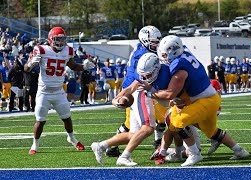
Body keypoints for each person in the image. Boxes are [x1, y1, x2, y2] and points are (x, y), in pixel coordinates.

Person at [148, 35, 249, 166]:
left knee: (178, 121)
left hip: (204, 100)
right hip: (209, 99)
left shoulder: (179, 67)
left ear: (173, 51)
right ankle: (239, 150)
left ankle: (195, 154)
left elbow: (170, 94)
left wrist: (151, 91)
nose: (163, 58)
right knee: (210, 131)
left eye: (165, 55)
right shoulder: (184, 51)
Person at [24, 27, 95, 155]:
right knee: (40, 120)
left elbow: (73, 66)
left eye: (63, 39)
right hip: (43, 92)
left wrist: (84, 67)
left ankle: (72, 138)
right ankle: (35, 144)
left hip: (58, 91)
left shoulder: (67, 51)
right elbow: (26, 69)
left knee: (67, 118)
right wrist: (30, 64)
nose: (61, 42)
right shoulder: (41, 50)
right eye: (58, 39)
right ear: (51, 39)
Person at [91, 53, 170, 166]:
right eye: (142, 75)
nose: (144, 78)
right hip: (142, 95)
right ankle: (124, 156)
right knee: (148, 128)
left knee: (134, 135)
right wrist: (116, 99)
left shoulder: (164, 70)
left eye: (147, 75)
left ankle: (101, 145)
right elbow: (132, 87)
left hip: (147, 95)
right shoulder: (145, 71)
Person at [104, 25, 164, 157]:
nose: (156, 45)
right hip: (135, 88)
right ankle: (110, 146)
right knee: (158, 117)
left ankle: (112, 146)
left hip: (135, 86)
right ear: (145, 40)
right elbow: (142, 78)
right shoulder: (143, 55)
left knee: (158, 118)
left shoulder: (141, 47)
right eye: (154, 42)